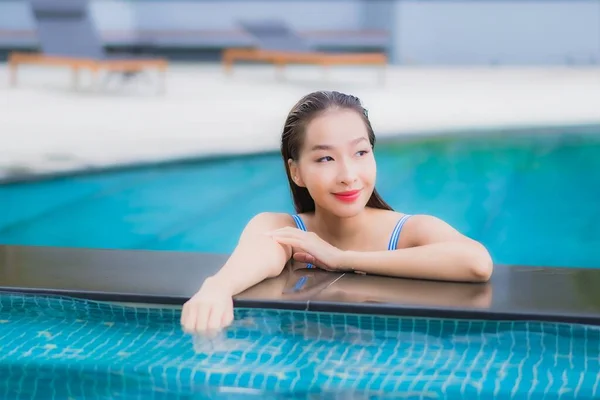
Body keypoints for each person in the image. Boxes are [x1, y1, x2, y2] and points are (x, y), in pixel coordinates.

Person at [181, 90, 493, 335]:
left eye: (360, 152)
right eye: (326, 159)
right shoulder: (286, 230)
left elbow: (477, 263)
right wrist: (216, 288)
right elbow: (259, 252)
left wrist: (341, 258)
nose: (348, 175)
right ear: (296, 172)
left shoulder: (409, 231)